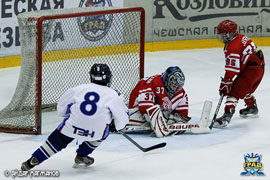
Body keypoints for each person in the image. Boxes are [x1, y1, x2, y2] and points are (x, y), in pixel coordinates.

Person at [21, 63, 129, 170]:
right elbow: (123, 119)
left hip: (72, 127)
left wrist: (74, 115)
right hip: (96, 133)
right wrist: (114, 126)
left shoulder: (78, 89)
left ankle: (34, 159)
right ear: (109, 77)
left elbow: (61, 111)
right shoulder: (115, 95)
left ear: (91, 76)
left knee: (59, 137)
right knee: (103, 132)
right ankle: (82, 155)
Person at [213, 19, 265, 128]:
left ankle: (226, 117)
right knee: (244, 88)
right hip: (258, 67)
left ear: (229, 33)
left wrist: (226, 82)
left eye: (223, 35)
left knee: (233, 92)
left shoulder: (233, 46)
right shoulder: (240, 37)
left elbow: (232, 69)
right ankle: (252, 107)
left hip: (251, 70)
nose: (222, 38)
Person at [126, 66, 191, 137]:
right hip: (137, 109)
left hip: (160, 110)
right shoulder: (152, 84)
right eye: (173, 85)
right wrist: (158, 123)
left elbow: (183, 115)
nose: (175, 89)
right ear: (167, 80)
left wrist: (179, 122)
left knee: (170, 117)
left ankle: (162, 119)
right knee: (134, 120)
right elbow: (145, 108)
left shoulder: (181, 93)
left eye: (178, 86)